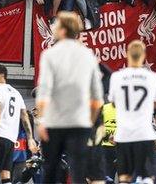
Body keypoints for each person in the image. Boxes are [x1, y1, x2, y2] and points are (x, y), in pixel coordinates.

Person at [36, 11, 104, 184]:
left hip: (54, 122)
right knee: (78, 174)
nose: (53, 28)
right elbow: (97, 97)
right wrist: (89, 121)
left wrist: (42, 119)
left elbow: (44, 91)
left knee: (50, 172)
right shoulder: (88, 56)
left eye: (56, 25)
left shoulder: (50, 55)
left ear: (63, 30)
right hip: (80, 123)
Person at [108, 40, 156, 184]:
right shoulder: (153, 77)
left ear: (127, 55)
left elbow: (113, 102)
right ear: (144, 55)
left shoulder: (116, 77)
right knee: (147, 176)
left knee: (124, 177)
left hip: (124, 134)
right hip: (144, 133)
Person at [0, 64, 37, 184]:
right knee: (5, 174)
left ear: (2, 75)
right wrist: (30, 138)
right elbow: (24, 115)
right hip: (11, 139)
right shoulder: (16, 93)